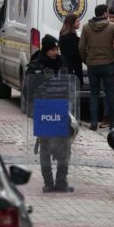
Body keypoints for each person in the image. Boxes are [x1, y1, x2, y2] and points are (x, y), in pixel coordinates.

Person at [26, 35, 75, 192]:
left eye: (57, 49)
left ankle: (61, 181)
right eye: (52, 50)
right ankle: (48, 182)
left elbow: (72, 84)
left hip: (62, 110)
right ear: (45, 50)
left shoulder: (63, 63)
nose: (55, 52)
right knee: (45, 147)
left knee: (64, 147)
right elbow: (28, 90)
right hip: (44, 112)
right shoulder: (35, 66)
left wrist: (71, 103)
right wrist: (36, 106)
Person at [79, 4, 114, 130]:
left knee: (94, 94)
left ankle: (93, 123)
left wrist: (86, 60)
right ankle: (113, 123)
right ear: (105, 13)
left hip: (92, 65)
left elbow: (81, 47)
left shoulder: (86, 27)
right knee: (110, 93)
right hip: (108, 64)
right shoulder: (112, 26)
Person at [59, 15, 83, 85]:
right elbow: (74, 53)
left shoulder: (65, 34)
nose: (79, 23)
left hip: (68, 66)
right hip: (73, 68)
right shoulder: (70, 36)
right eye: (77, 22)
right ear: (72, 23)